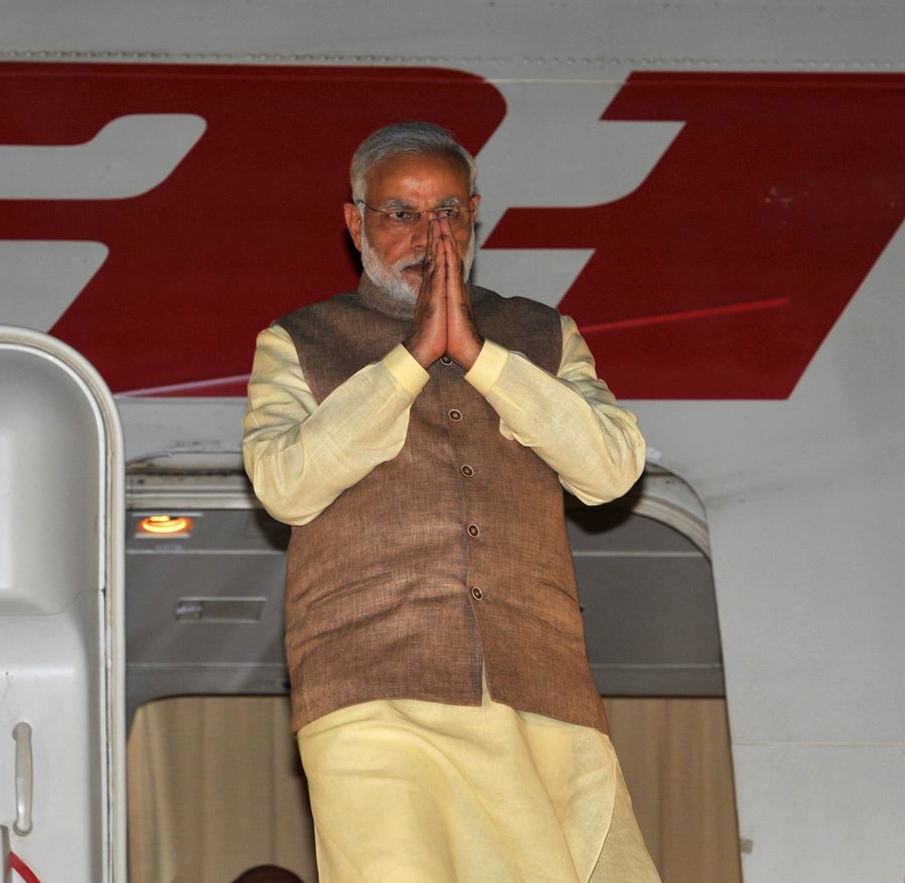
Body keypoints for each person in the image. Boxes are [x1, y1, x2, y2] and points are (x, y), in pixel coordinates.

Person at [243, 122, 660, 883]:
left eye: (447, 213)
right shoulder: (298, 340)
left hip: (539, 685)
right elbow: (283, 484)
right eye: (400, 213)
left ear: (474, 217)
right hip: (372, 687)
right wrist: (409, 362)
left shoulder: (542, 333)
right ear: (355, 224)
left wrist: (480, 356)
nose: (428, 236)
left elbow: (612, 469)